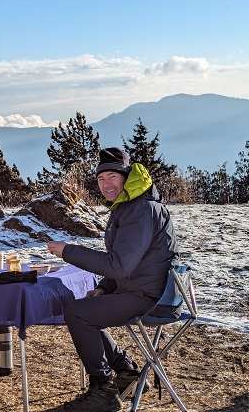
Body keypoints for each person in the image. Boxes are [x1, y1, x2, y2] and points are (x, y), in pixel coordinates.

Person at [47, 147, 178, 412]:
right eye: (100, 179)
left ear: (126, 177)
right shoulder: (130, 206)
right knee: (85, 308)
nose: (106, 184)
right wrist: (104, 287)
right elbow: (124, 262)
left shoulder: (140, 210)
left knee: (77, 312)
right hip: (145, 290)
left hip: (150, 298)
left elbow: (119, 264)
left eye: (112, 177)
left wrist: (68, 251)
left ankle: (103, 390)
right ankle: (126, 370)